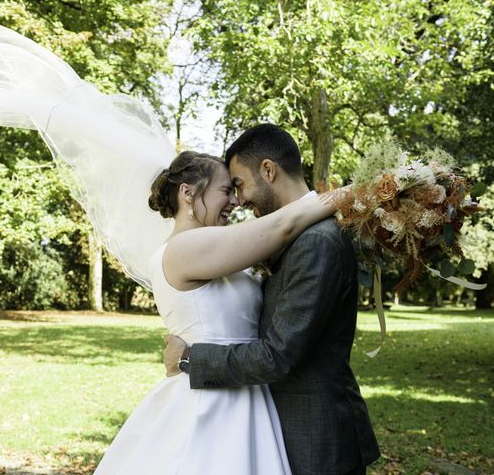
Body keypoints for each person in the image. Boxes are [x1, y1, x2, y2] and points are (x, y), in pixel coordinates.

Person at [94, 149, 339, 474]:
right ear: (188, 192)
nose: (236, 201)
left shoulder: (217, 248)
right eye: (225, 190)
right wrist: (360, 195)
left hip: (247, 390)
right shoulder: (183, 249)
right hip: (211, 404)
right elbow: (283, 226)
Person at [163, 124, 381, 474]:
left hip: (317, 440)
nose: (239, 199)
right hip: (280, 430)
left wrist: (190, 359)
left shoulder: (316, 242)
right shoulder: (292, 237)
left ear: (268, 170)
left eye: (239, 184)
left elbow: (279, 355)